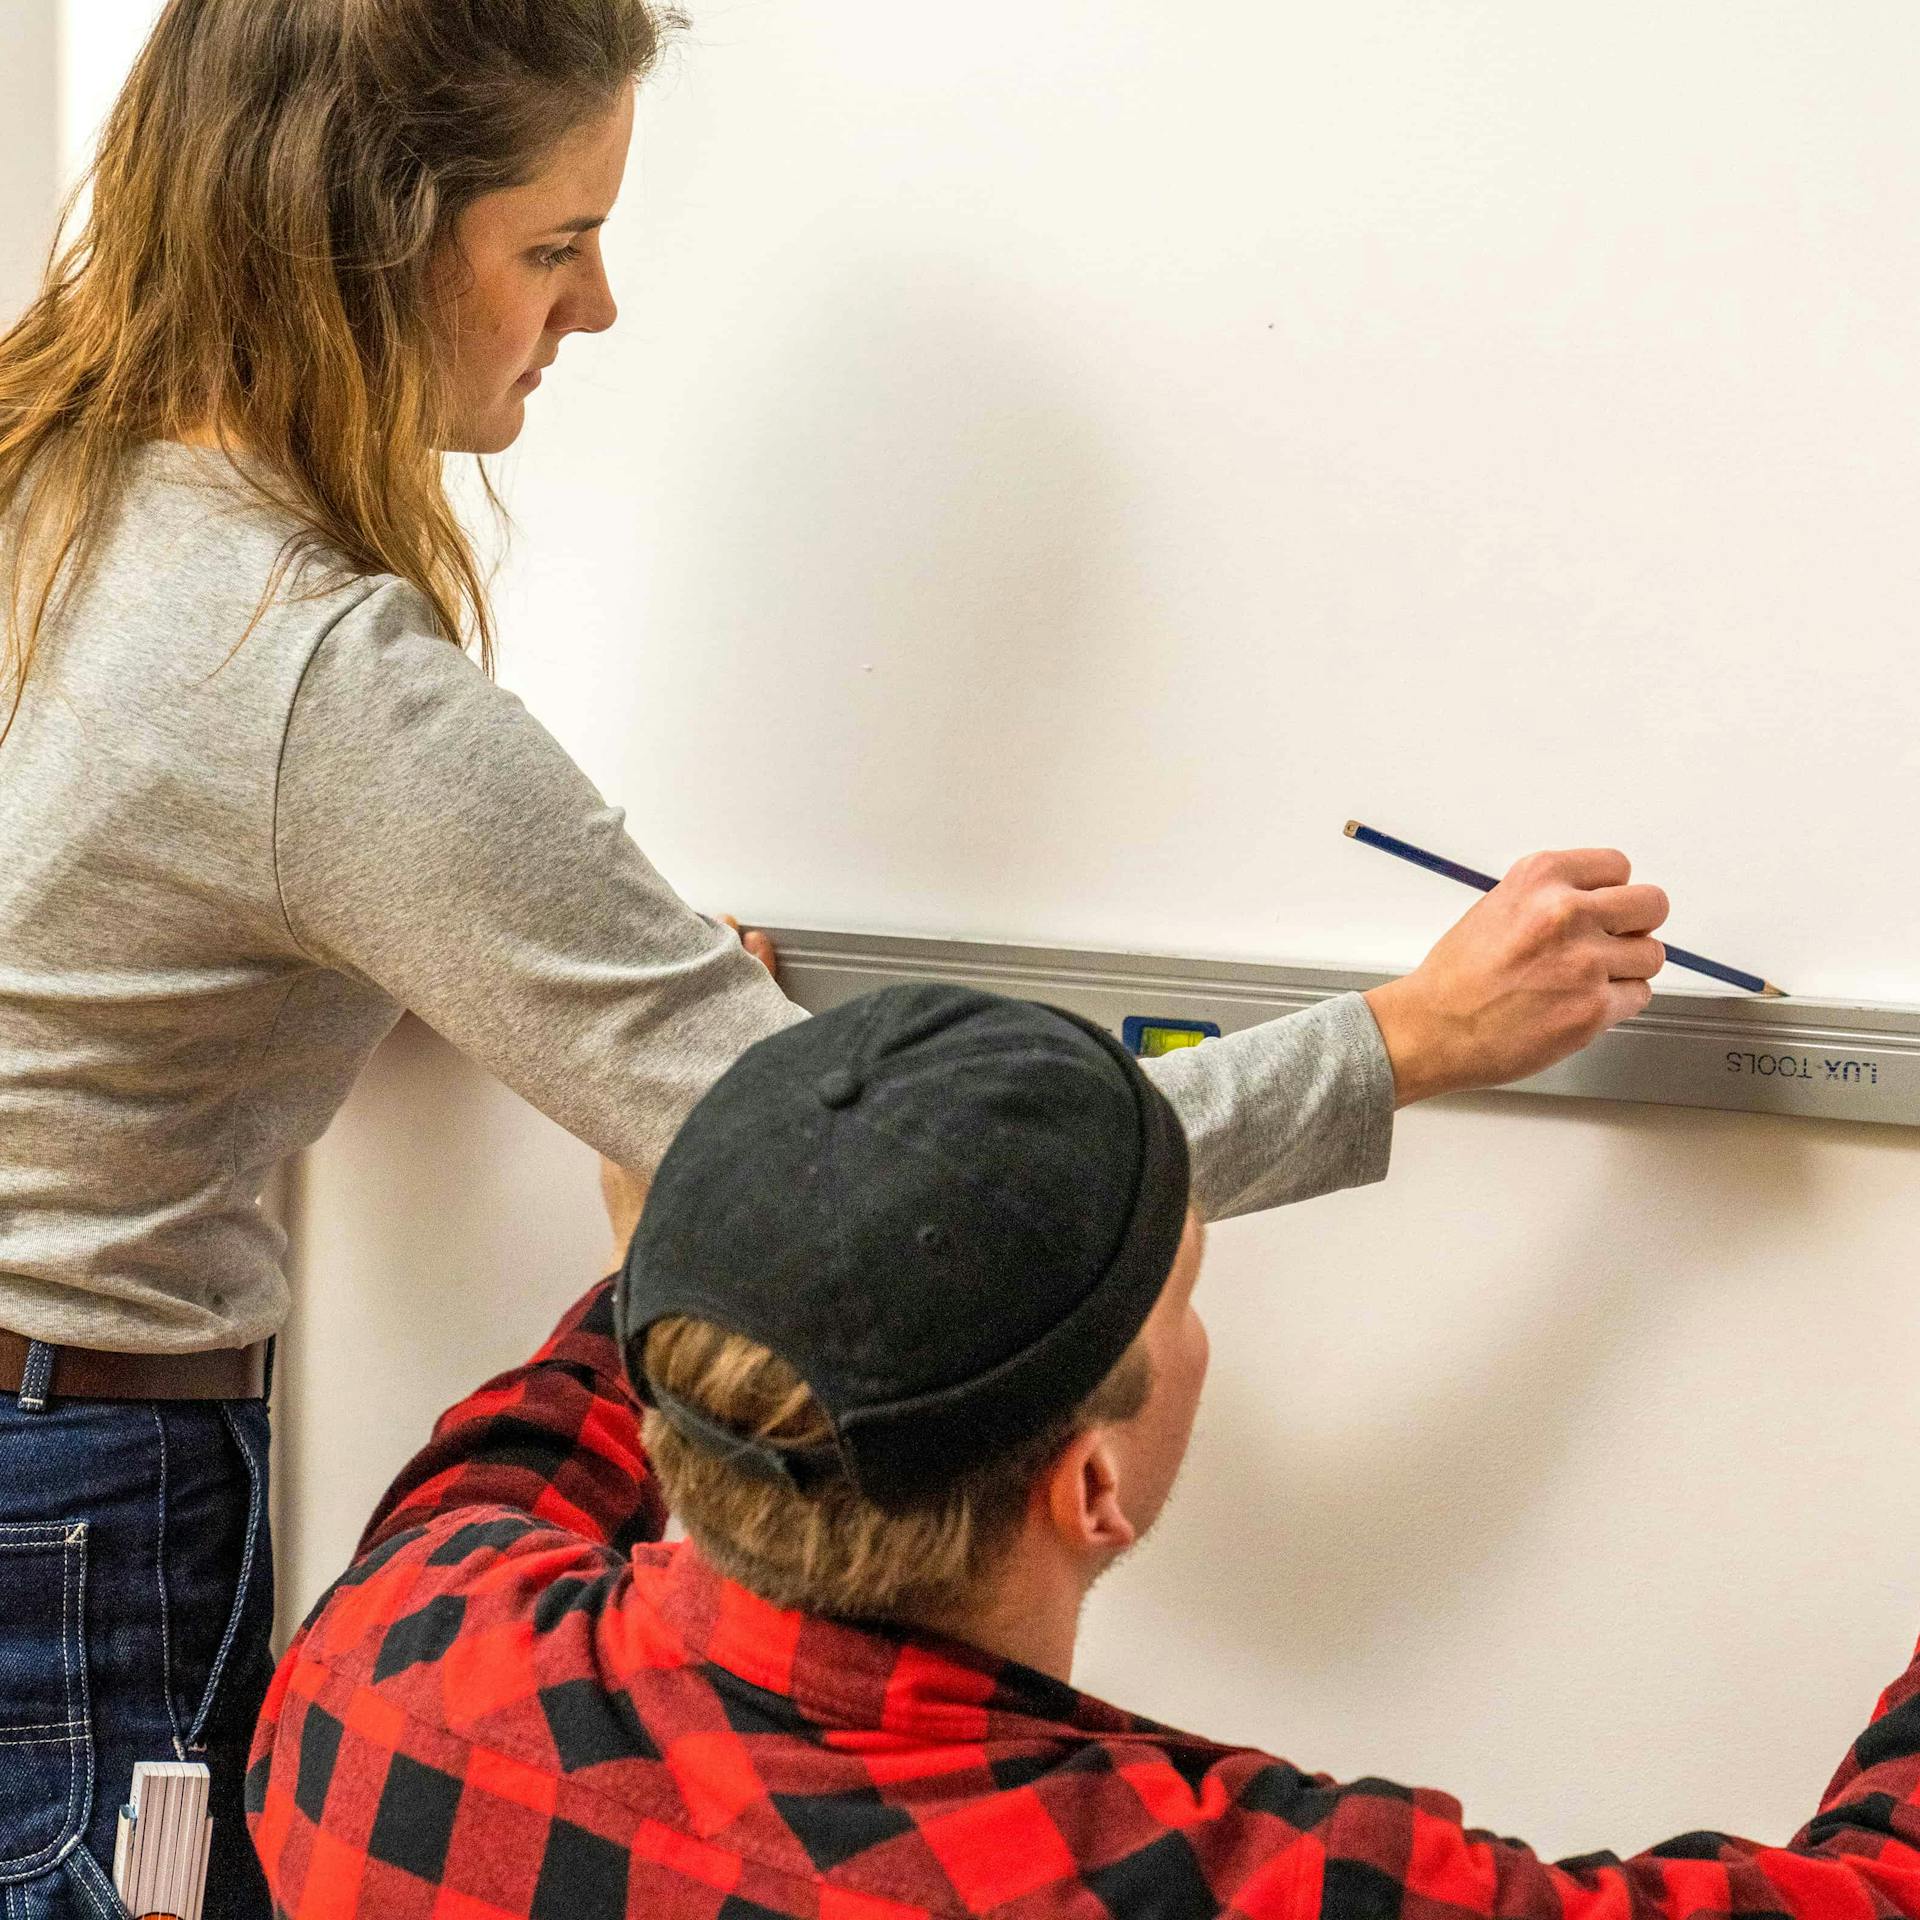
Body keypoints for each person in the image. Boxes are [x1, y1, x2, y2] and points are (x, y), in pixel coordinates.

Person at [0, 2, 1669, 1912]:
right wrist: (1403, 1039)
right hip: (64, 1500)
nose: (598, 307)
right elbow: (874, 1203)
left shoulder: (46, 477)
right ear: (369, 237)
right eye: (554, 244)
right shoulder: (304, 683)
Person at [248, 985, 1920, 1918]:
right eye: (1187, 1296)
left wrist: (735, 1218)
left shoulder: (387, 1672)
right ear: (1092, 1486)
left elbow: (535, 1441)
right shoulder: (1214, 1889)